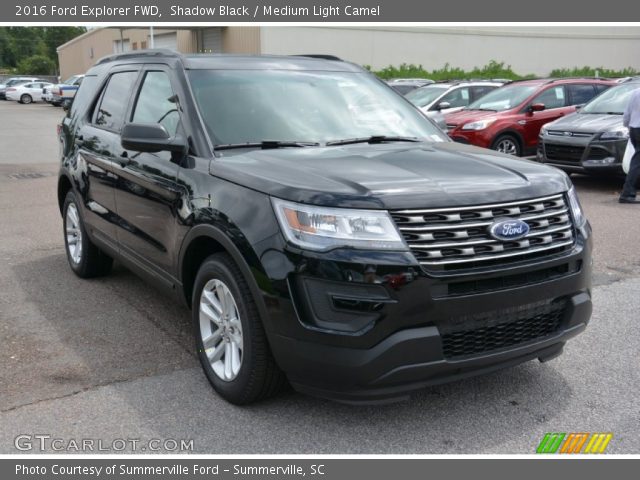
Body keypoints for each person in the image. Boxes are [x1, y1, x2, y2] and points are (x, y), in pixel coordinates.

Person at [620, 87, 640, 203]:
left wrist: (627, 126)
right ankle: (627, 193)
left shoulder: (635, 91)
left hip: (634, 128)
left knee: (637, 161)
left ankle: (628, 192)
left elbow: (627, 113)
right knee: (637, 162)